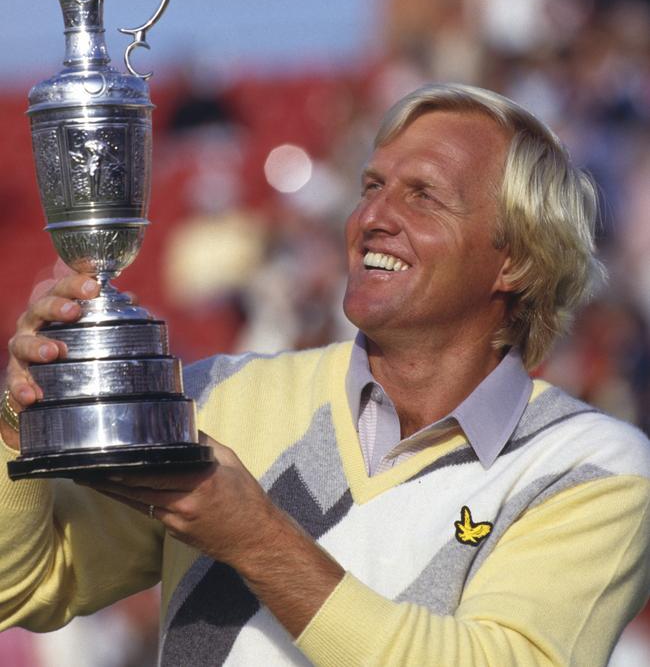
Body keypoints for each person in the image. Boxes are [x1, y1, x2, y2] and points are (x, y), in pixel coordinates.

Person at [0, 83, 648, 666]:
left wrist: (257, 540)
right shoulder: (219, 396)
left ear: (517, 260)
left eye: (423, 196)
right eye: (371, 187)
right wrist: (20, 420)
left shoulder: (594, 467)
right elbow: (20, 588)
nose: (373, 217)